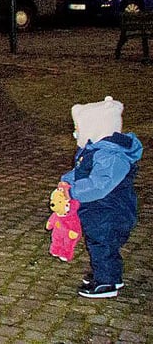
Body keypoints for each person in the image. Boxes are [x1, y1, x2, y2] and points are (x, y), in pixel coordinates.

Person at [58, 96, 142, 299]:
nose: (76, 132)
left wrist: (73, 191)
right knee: (104, 245)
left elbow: (99, 184)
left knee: (102, 244)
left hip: (109, 211)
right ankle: (111, 275)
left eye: (78, 128)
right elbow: (81, 172)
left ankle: (106, 283)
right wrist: (67, 181)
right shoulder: (94, 150)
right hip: (100, 209)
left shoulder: (110, 156)